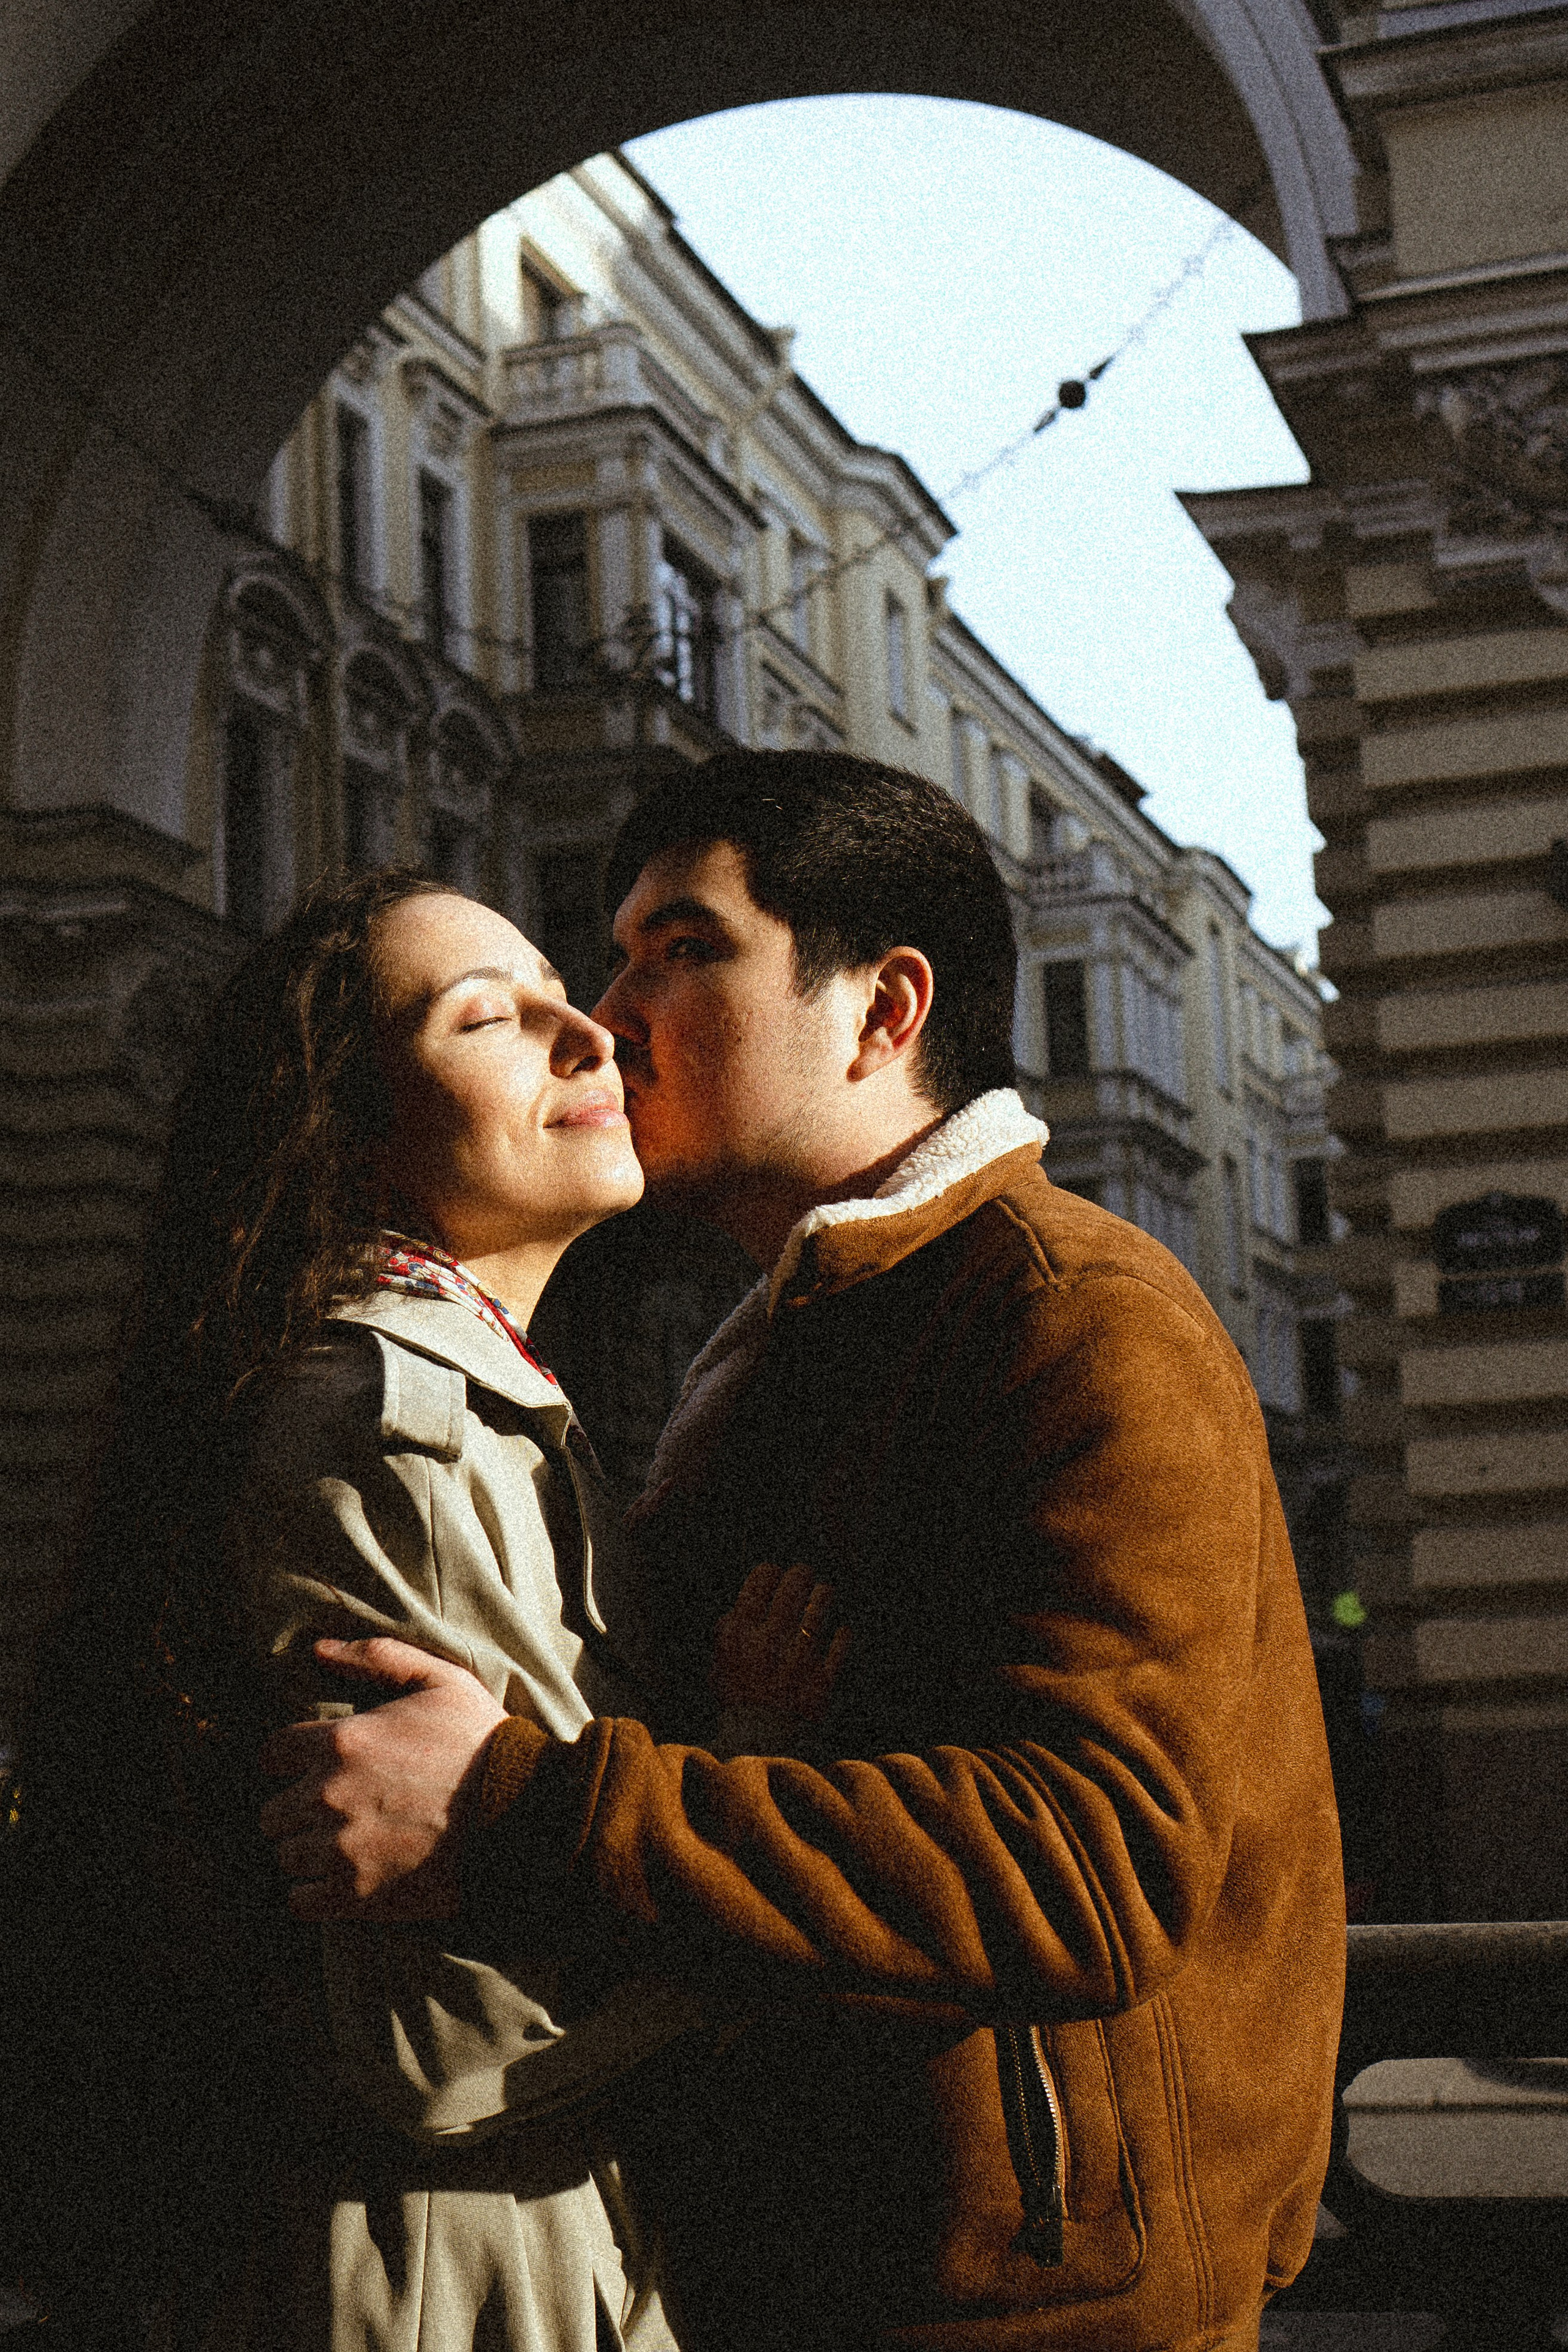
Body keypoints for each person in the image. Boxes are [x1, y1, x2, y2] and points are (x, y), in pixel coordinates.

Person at [260, 752, 1347, 2352]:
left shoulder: (1069, 1316)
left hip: (1037, 2313)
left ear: (882, 1011)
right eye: (618, 956)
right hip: (823, 2279)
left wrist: (515, 1808)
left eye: (685, 950)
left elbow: (1093, 1867)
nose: (613, 1016)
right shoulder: (797, 1333)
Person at [9, 866, 831, 2351]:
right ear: (351, 1131)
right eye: (486, 1018)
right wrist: (769, 1793)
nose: (587, 1034)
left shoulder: (466, 1400)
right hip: (458, 2268)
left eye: (557, 994)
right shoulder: (392, 1427)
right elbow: (452, 2039)